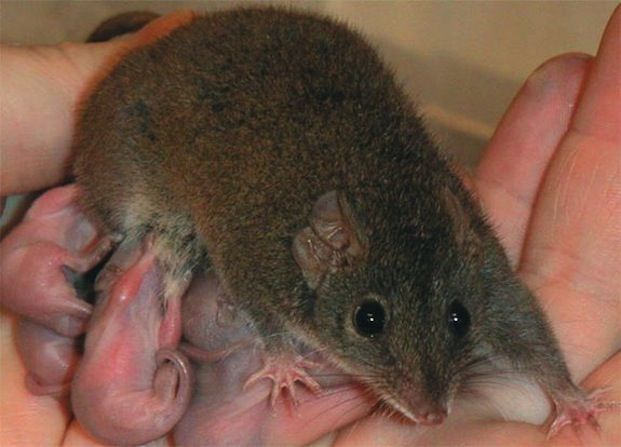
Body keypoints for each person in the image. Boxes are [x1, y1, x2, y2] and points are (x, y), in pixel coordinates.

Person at [1, 7, 619, 446]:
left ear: (465, 236)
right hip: (169, 117)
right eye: (370, 322)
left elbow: (505, 302)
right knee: (131, 220)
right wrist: (275, 347)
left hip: (301, 92)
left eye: (455, 320)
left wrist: (562, 389)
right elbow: (244, 245)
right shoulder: (282, 252)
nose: (429, 407)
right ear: (321, 253)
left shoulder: (457, 245)